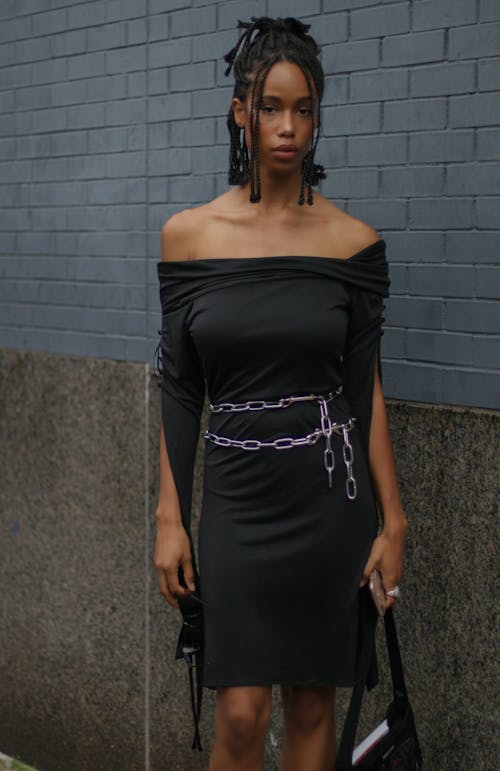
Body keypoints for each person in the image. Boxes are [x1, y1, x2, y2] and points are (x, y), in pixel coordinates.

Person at [154, 16, 408, 771]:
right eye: (271, 107)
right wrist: (171, 516)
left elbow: (366, 391)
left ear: (318, 116)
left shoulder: (353, 246)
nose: (288, 127)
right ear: (241, 110)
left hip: (328, 497)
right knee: (238, 709)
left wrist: (394, 521)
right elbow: (180, 385)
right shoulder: (189, 237)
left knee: (311, 702)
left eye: (304, 109)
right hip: (236, 495)